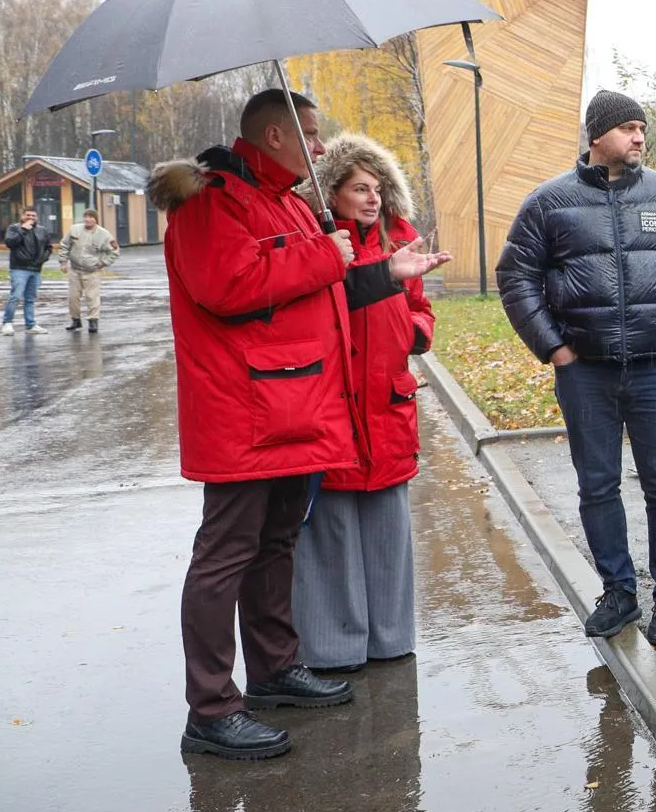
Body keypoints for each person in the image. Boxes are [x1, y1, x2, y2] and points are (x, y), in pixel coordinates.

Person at [149, 89, 447, 760]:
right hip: (242, 412)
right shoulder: (213, 201)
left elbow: (322, 290)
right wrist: (326, 256)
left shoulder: (284, 200)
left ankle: (275, 670)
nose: (320, 147)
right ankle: (211, 709)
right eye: (310, 135)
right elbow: (227, 286)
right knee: (225, 556)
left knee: (276, 542)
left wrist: (385, 273)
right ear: (275, 135)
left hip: (291, 407)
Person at [497, 90, 656, 648]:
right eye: (628, 128)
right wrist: (555, 349)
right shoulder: (549, 202)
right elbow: (516, 277)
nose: (639, 137)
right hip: (586, 373)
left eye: (642, 127)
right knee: (597, 486)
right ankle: (619, 592)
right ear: (597, 135)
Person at [292, 134, 450, 674]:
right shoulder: (318, 242)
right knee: (332, 530)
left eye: (378, 189)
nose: (372, 198)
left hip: (386, 402)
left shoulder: (399, 237)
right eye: (360, 188)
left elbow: (421, 307)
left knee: (387, 531)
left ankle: (390, 638)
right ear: (332, 191)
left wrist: (413, 332)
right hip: (334, 404)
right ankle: (334, 649)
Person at [56, 208, 120, 333]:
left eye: (91, 217)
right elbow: (64, 245)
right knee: (73, 297)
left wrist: (103, 263)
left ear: (96, 219)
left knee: (92, 297)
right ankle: (75, 320)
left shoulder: (104, 235)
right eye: (86, 216)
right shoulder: (74, 229)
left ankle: (93, 320)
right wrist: (63, 262)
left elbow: (114, 251)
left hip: (92, 271)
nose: (88, 219)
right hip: (75, 269)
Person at [0, 207, 53, 335]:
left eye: (33, 215)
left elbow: (48, 247)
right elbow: (10, 243)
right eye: (28, 215)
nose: (30, 218)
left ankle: (30, 325)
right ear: (22, 216)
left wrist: (43, 259)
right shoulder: (14, 228)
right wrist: (23, 230)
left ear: (37, 217)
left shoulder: (42, 230)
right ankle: (7, 323)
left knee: (30, 298)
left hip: (36, 269)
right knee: (16, 296)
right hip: (19, 268)